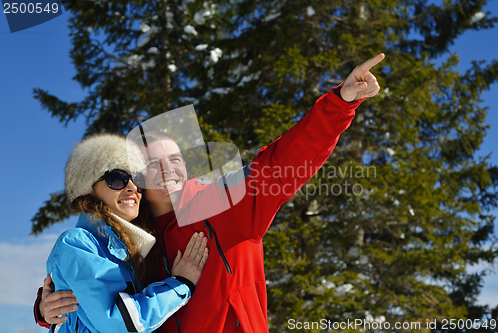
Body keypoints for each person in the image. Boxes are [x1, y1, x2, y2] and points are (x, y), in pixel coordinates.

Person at [36, 54, 385, 332]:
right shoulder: (129, 239)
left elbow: (283, 161)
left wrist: (340, 101)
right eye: (154, 163)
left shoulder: (223, 202)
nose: (170, 168)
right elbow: (92, 286)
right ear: (135, 176)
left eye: (175, 158)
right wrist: (45, 306)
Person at [37, 134, 208, 333]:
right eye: (117, 179)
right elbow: (119, 323)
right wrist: (180, 284)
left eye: (137, 180)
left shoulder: (130, 246)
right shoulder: (77, 243)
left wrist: (41, 309)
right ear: (89, 188)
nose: (132, 188)